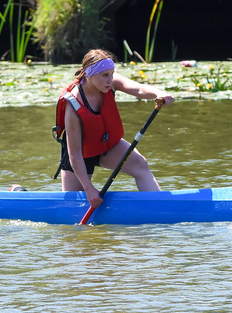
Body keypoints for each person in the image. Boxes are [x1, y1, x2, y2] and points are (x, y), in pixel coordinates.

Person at [54, 49, 174, 208]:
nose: (110, 79)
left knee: (140, 164)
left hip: (106, 144)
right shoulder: (74, 104)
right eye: (105, 75)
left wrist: (158, 93)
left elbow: (138, 89)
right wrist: (89, 189)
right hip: (80, 155)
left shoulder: (111, 82)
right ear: (89, 75)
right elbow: (74, 153)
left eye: (112, 74)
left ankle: (160, 208)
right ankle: (19, 192)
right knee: (73, 206)